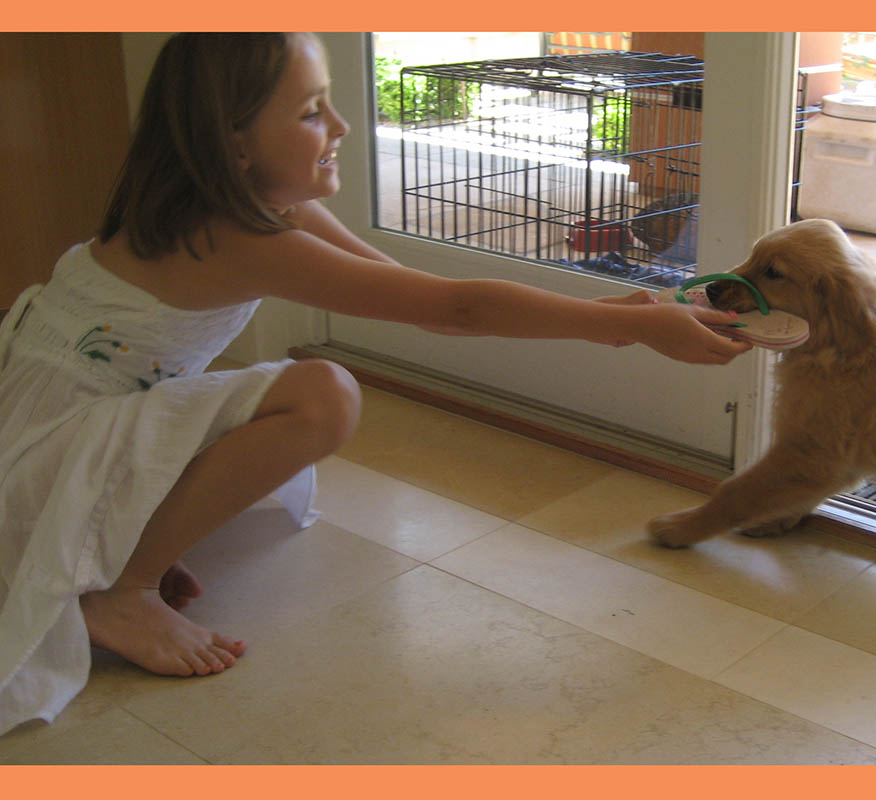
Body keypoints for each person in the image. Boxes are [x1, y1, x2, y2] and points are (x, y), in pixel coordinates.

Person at [0, 33, 750, 734]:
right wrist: (628, 327)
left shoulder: (251, 207)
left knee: (291, 394)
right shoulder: (233, 236)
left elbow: (417, 297)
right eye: (308, 111)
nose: (342, 125)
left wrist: (623, 312)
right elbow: (454, 310)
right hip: (44, 444)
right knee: (323, 393)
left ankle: (117, 536)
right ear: (234, 146)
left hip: (73, 415)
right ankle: (123, 589)